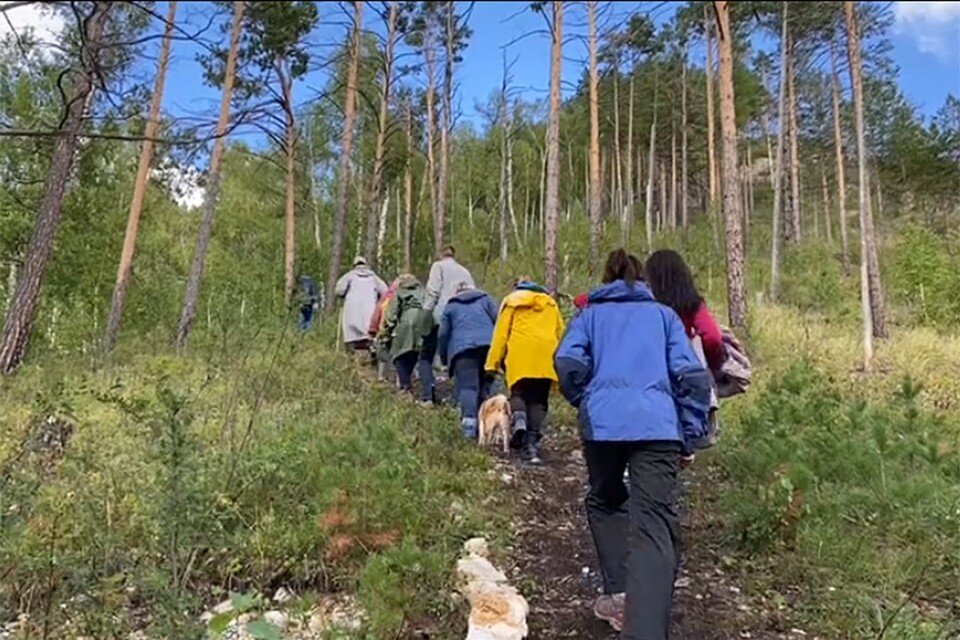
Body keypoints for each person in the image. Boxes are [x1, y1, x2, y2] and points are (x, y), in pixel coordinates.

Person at [554, 249, 712, 639]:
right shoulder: (664, 317)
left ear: (606, 280)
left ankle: (621, 591)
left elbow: (567, 362)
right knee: (655, 525)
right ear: (642, 282)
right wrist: (689, 435)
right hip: (658, 429)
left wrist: (586, 399)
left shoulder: (588, 316)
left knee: (604, 499)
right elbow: (692, 377)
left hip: (604, 427)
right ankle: (644, 630)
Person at [485, 276, 564, 465]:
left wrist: (492, 364)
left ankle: (519, 419)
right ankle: (531, 445)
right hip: (546, 356)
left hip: (520, 355)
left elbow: (501, 334)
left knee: (518, 392)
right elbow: (561, 332)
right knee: (538, 400)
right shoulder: (550, 304)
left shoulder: (511, 302)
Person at [644, 249, 725, 372]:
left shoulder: (645, 306)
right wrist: (714, 365)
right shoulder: (691, 304)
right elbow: (712, 338)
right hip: (683, 372)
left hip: (652, 373)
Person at [438, 281, 499, 439]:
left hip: (463, 351)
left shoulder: (451, 306)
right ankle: (488, 425)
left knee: (468, 388)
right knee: (486, 384)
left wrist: (444, 358)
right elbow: (499, 320)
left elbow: (443, 334)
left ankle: (469, 428)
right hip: (488, 347)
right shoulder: (485, 299)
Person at [421, 246, 475, 404]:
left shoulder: (438, 267)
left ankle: (427, 396)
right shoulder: (465, 272)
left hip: (442, 316)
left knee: (425, 356)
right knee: (458, 359)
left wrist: (425, 316)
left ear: (440, 255)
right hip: (463, 319)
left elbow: (433, 292)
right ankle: (457, 399)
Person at [378, 274, 430, 395]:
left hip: (405, 327)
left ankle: (405, 387)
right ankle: (416, 388)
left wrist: (385, 332)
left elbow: (391, 315)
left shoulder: (399, 293)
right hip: (423, 326)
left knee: (399, 357)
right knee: (415, 356)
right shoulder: (424, 292)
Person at [335, 257, 387, 358]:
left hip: (352, 312)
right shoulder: (374, 278)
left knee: (352, 334)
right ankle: (371, 352)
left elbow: (339, 290)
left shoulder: (349, 276)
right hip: (369, 310)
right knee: (369, 332)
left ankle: (351, 355)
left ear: (354, 265)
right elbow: (385, 291)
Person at [370, 277, 401, 382]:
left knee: (383, 357)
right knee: (396, 357)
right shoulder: (404, 300)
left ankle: (381, 377)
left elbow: (376, 315)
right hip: (398, 333)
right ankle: (397, 380)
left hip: (383, 331)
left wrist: (372, 329)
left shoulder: (385, 298)